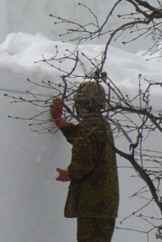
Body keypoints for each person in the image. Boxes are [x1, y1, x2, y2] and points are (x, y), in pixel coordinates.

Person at [52, 80, 119, 242]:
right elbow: (81, 137)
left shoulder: (89, 127)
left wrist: (69, 174)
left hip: (92, 206)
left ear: (85, 104)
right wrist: (60, 122)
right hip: (105, 205)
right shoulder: (102, 125)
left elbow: (83, 163)